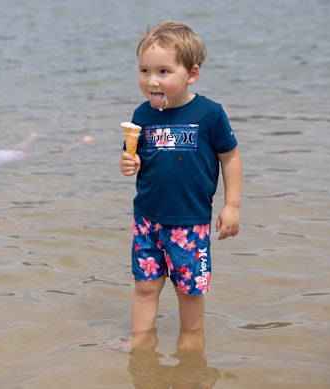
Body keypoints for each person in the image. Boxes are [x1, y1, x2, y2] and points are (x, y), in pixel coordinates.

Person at [119, 21, 242, 351]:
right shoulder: (142, 115)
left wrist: (232, 206)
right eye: (144, 70)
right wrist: (128, 164)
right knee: (145, 285)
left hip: (190, 222)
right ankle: (140, 341)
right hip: (147, 218)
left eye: (163, 71)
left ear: (191, 74)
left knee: (190, 289)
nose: (151, 80)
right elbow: (134, 158)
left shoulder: (209, 114)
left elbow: (230, 158)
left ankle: (190, 342)